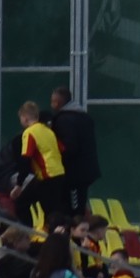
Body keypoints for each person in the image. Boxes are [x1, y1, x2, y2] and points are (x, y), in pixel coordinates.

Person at [15, 99, 68, 232]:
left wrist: (19, 183)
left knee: (23, 203)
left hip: (46, 175)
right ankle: (58, 234)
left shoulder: (29, 133)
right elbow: (62, 149)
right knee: (53, 209)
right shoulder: (48, 131)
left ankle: (27, 233)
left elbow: (26, 158)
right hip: (59, 173)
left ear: (25, 117)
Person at [47, 86, 99, 217]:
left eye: (53, 101)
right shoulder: (85, 118)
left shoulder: (63, 120)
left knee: (73, 210)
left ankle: (74, 228)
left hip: (73, 174)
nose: (51, 104)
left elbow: (69, 148)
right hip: (86, 170)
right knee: (79, 203)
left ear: (57, 102)